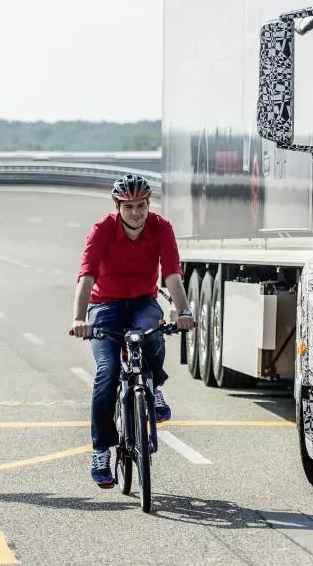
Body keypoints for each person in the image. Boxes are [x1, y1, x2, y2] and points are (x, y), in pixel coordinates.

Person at [70, 173, 197, 488]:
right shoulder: (102, 229)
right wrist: (78, 319)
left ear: (148, 204)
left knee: (153, 330)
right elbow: (86, 275)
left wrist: (183, 311)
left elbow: (171, 274)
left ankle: (154, 387)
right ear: (118, 206)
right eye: (129, 207)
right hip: (105, 306)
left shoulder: (161, 228)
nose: (136, 212)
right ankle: (101, 450)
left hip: (142, 302)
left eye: (141, 205)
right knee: (107, 372)